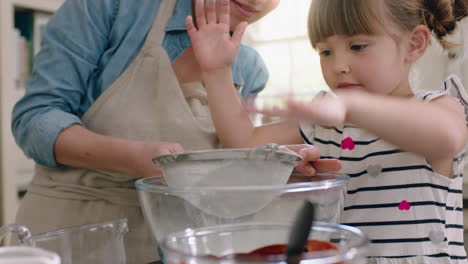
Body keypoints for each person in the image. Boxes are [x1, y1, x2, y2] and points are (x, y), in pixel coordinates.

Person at [11, 0, 341, 263]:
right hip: (69, 235)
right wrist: (132, 158)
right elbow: (34, 118)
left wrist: (273, 167)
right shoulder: (111, 8)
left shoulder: (248, 67)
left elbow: (224, 167)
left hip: (174, 243)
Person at [187, 0, 468, 262]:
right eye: (325, 51)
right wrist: (217, 72)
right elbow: (243, 142)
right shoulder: (328, 122)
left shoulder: (435, 107)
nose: (338, 66)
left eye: (357, 46)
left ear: (414, 45)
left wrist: (352, 107)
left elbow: (448, 138)